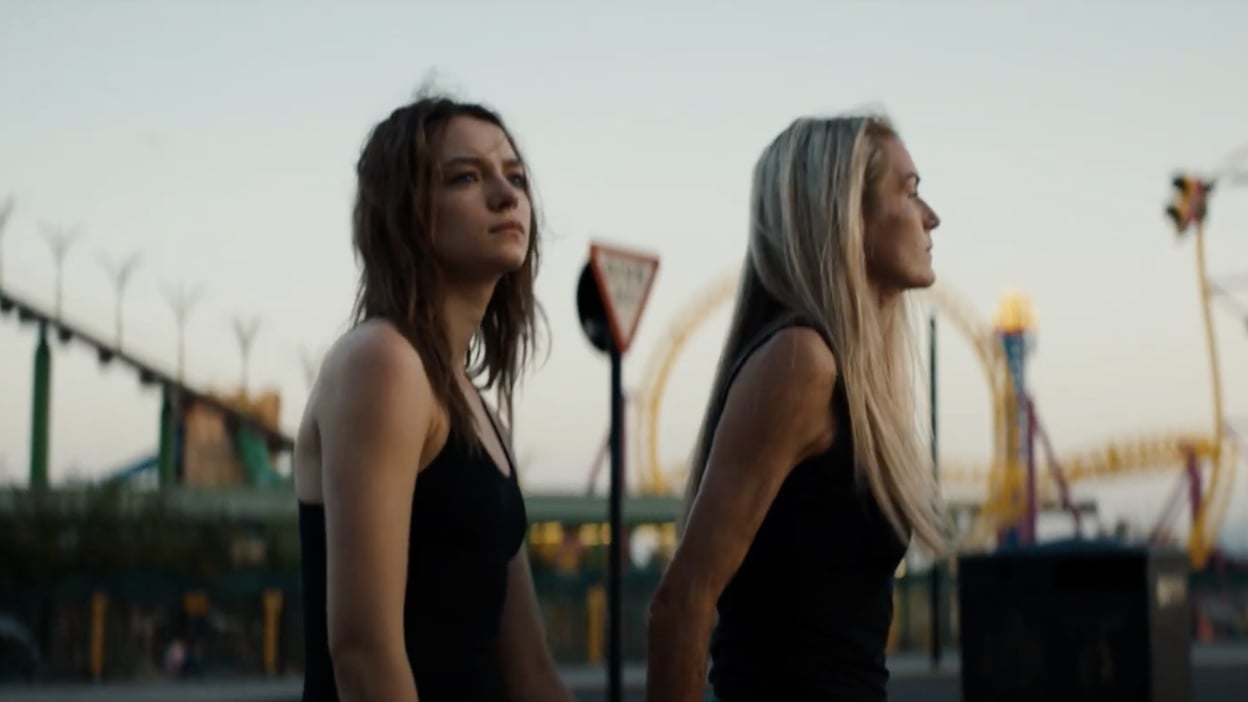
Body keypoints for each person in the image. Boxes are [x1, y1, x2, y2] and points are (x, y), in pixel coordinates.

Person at [645, 113, 951, 702]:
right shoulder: (802, 362)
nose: (931, 216)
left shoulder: (850, 381)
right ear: (845, 216)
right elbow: (681, 605)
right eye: (910, 192)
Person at [293, 92, 574, 702]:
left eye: (516, 177)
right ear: (406, 213)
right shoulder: (383, 363)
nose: (507, 195)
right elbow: (364, 656)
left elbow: (529, 669)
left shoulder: (478, 409)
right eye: (466, 177)